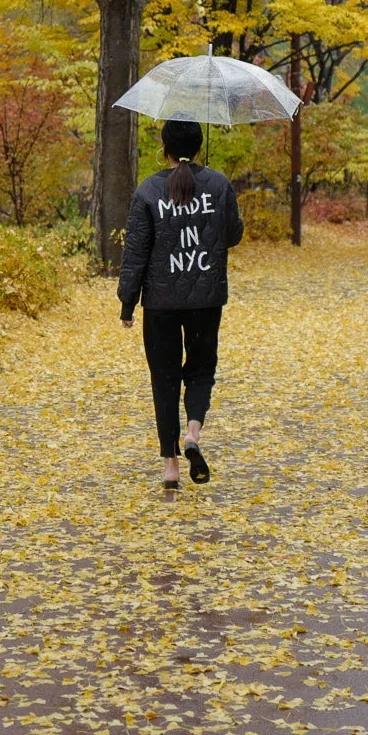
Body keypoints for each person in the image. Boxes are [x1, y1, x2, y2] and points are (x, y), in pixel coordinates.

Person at [118, 119, 244, 489]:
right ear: (200, 146)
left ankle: (171, 466)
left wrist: (128, 303)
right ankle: (193, 435)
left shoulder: (148, 190)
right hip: (206, 299)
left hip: (160, 302)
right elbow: (233, 235)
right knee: (202, 370)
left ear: (165, 148)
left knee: (165, 377)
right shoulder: (219, 185)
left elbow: (135, 252)